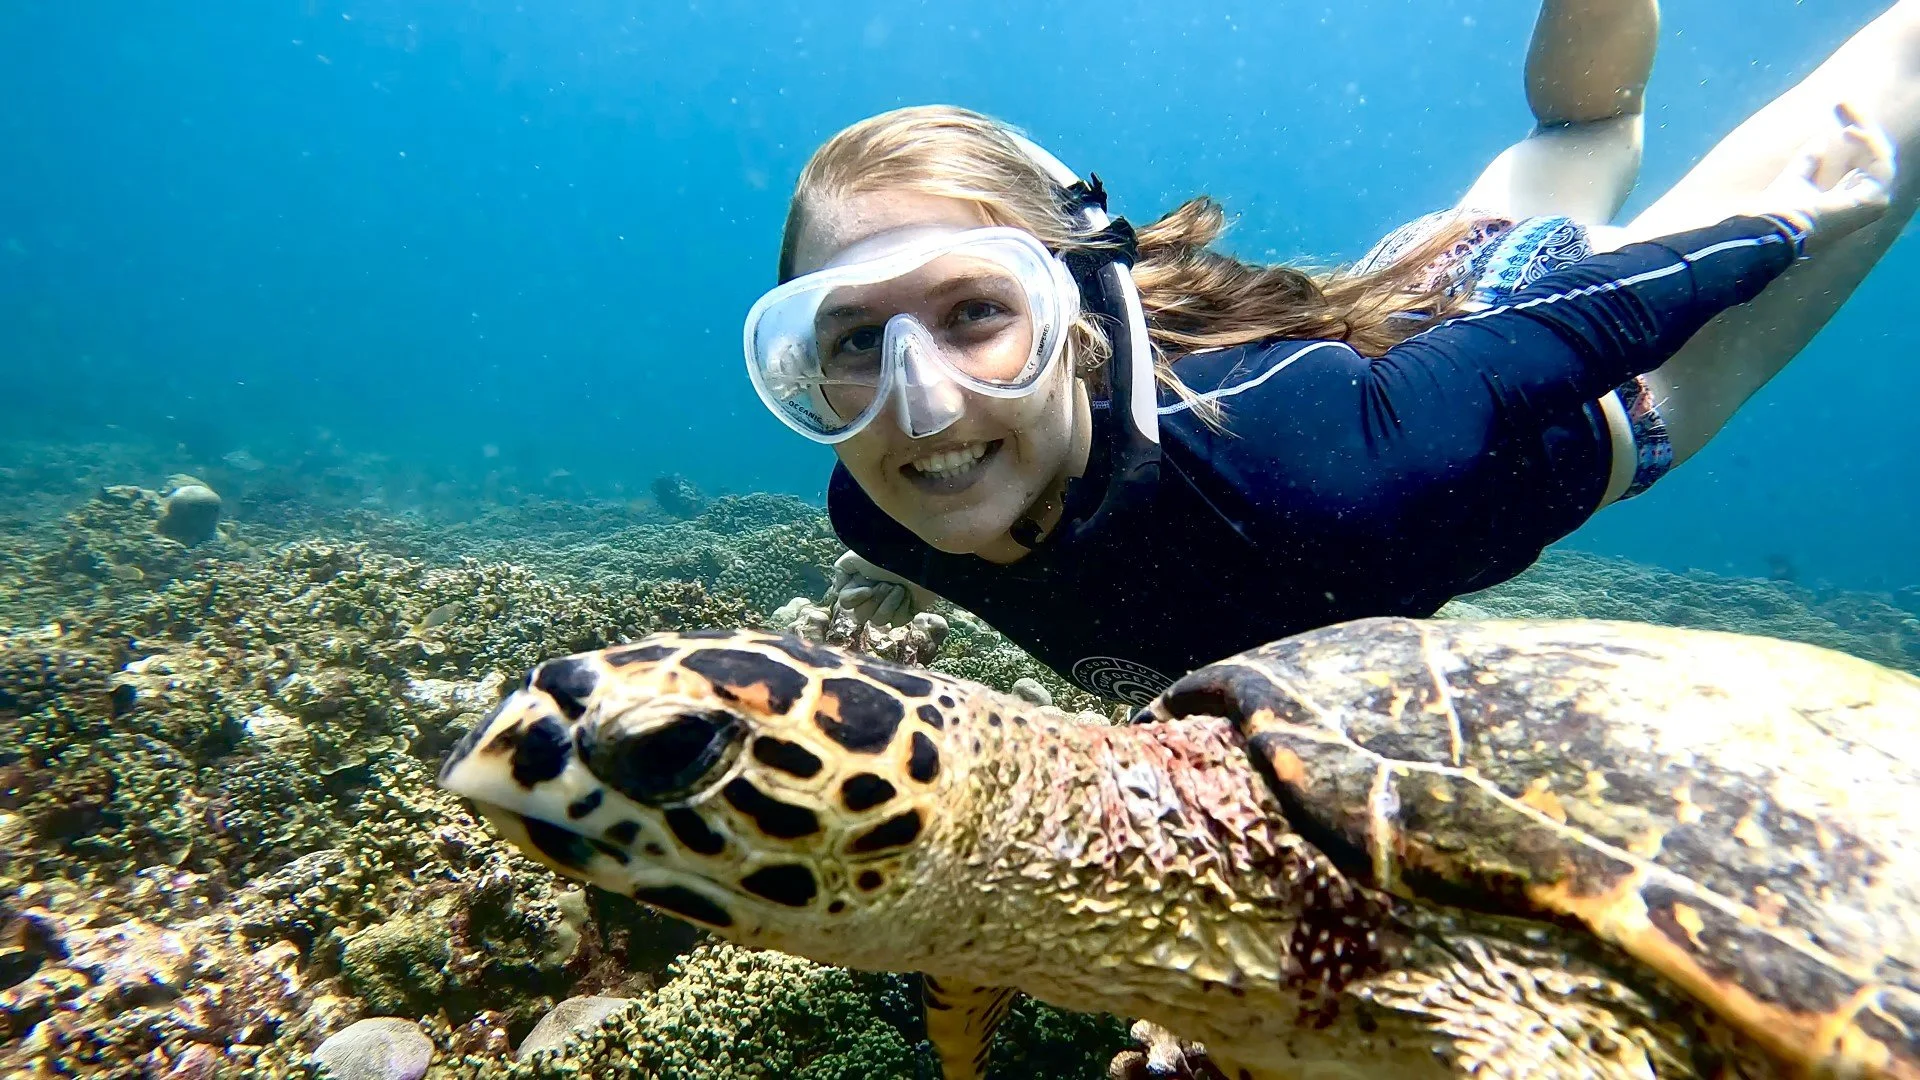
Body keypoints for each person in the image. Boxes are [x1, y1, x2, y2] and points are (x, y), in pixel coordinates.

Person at [747, 1, 1909, 705]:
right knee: (1584, 125)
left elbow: (1561, 332)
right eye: (855, 337)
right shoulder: (883, 510)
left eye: (973, 312)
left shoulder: (1301, 466)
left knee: (1891, 121)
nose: (924, 404)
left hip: (1581, 373)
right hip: (1404, 295)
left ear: (1079, 314)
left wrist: (1785, 227)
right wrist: (902, 572)